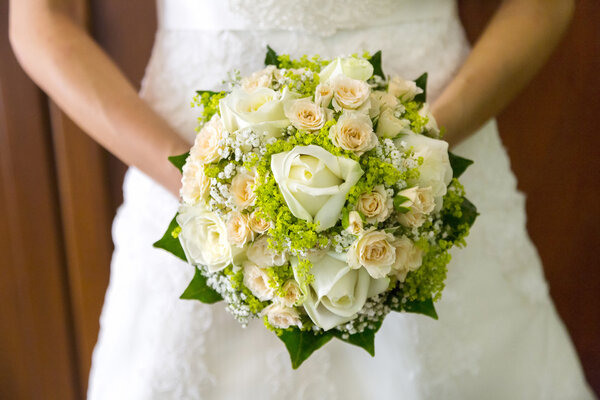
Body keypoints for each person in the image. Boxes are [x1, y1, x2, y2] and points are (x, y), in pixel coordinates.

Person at [9, 0, 596, 399]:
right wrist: (202, 180)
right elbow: (39, 21)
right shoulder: (202, 179)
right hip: (194, 162)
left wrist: (403, 159)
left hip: (432, 146)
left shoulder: (415, 160)